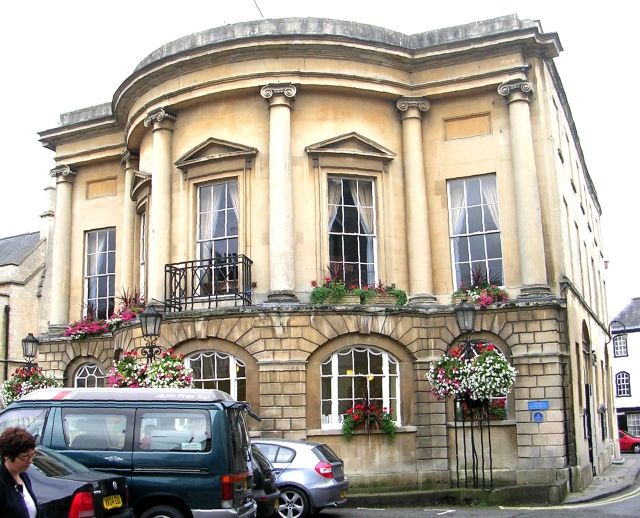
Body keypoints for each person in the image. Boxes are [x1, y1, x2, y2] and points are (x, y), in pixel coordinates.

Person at [0, 427, 41, 518]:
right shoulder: (2, 483)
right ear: (7, 456)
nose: (30, 461)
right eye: (24, 456)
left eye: (32, 455)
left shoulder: (23, 476)